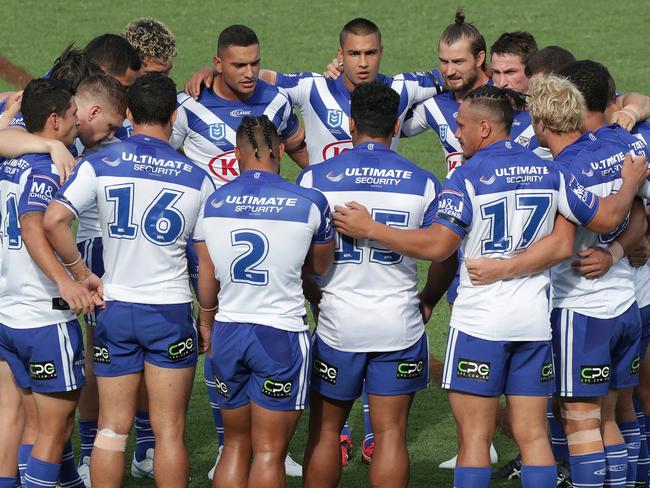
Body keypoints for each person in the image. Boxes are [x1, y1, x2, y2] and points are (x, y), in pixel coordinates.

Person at [331, 83, 649, 487]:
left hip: (481, 324)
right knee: (534, 436)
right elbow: (600, 223)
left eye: (461, 126)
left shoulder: (466, 176)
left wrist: (372, 228)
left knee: (474, 440)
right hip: (533, 324)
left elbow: (438, 245)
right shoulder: (550, 170)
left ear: (484, 128)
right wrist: (627, 186)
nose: (457, 133)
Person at [462, 75, 649, 488]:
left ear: (543, 123)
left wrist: (500, 268)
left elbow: (589, 228)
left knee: (582, 423)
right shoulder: (621, 144)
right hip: (627, 305)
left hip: (581, 309)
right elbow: (640, 216)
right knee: (613, 416)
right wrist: (618, 250)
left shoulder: (561, 172)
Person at [43, 73, 215, 488]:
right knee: (169, 430)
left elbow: (53, 220)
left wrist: (83, 275)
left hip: (114, 309)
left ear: (131, 114)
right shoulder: (197, 177)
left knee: (111, 429)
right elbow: (206, 266)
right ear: (174, 117)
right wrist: (207, 316)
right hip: (170, 312)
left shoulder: (98, 163)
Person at [298, 80, 454, 487]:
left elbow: (296, 258)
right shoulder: (423, 182)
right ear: (396, 125)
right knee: (390, 436)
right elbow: (443, 253)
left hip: (337, 324)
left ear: (351, 124)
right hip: (398, 324)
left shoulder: (314, 180)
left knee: (326, 433)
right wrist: (428, 298)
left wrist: (315, 295)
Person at [171, 24, 308, 478]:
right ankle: (229, 445)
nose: (250, 73)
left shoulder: (276, 101)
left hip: (264, 241)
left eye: (254, 62)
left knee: (228, 340)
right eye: (238, 65)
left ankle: (262, 446)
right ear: (217, 64)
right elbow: (165, 162)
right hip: (207, 247)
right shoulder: (188, 106)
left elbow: (298, 151)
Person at [194, 114, 334, 488]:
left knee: (236, 446)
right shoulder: (310, 201)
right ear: (282, 149)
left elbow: (206, 275)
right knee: (270, 452)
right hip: (280, 337)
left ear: (236, 153)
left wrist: (206, 321)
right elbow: (320, 267)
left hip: (228, 332)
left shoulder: (214, 202)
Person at [0, 78, 101, 488]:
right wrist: (70, 279)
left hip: (6, 311)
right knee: (54, 429)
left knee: (20, 420)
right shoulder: (46, 169)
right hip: (41, 315)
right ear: (56, 120)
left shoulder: (9, 159)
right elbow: (31, 223)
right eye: (74, 115)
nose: (79, 121)